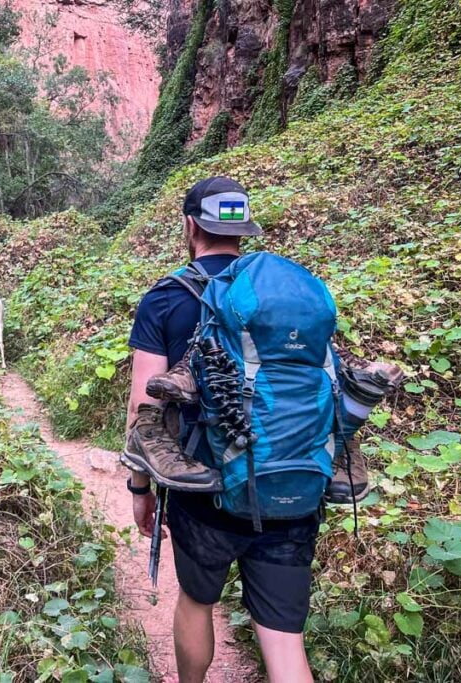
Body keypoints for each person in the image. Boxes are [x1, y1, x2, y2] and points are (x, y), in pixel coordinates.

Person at [123, 176, 401, 683]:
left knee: (195, 601)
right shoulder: (287, 297)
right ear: (242, 230)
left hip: (203, 487)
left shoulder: (165, 298)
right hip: (293, 484)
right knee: (284, 640)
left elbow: (144, 406)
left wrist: (139, 487)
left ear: (191, 225)